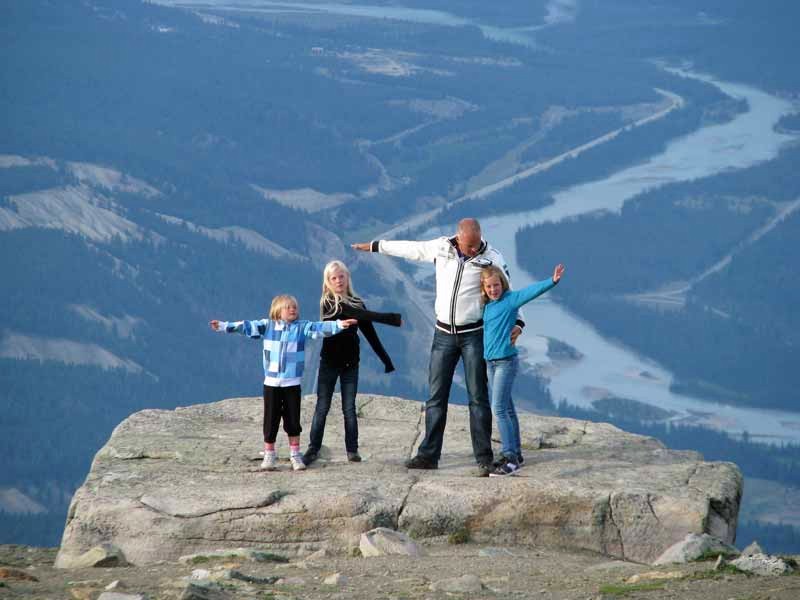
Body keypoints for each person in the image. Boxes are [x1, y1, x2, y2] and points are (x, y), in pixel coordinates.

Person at [352, 218, 524, 476]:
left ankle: (484, 458)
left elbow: (511, 293)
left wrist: (519, 323)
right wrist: (377, 246)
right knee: (436, 397)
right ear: (458, 237)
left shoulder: (492, 257)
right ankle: (428, 455)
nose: (473, 250)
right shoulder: (442, 247)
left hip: (474, 335)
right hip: (443, 334)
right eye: (468, 245)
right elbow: (412, 249)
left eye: (476, 244)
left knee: (478, 398)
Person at [210, 294, 356, 472]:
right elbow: (245, 326)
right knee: (270, 421)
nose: (293, 309)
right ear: (277, 311)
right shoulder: (267, 326)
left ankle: (295, 455)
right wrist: (223, 326)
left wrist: (338, 325)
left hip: (292, 384)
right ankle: (269, 455)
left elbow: (319, 328)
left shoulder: (301, 327)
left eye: (295, 307)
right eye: (288, 307)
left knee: (293, 421)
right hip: (271, 383)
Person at [303, 260, 402, 466]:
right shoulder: (328, 302)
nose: (338, 281)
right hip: (329, 363)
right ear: (328, 282)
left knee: (349, 408)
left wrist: (386, 359)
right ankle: (313, 448)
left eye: (341, 276)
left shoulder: (357, 302)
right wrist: (390, 318)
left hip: (350, 364)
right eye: (333, 278)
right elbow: (355, 313)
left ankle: (352, 450)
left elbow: (370, 334)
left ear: (348, 278)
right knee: (322, 406)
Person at [481, 263, 565, 476]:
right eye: (489, 286)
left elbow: (530, 292)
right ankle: (516, 454)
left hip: (505, 362)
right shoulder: (487, 306)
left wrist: (552, 281)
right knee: (507, 409)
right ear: (484, 288)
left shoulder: (510, 300)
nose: (493, 290)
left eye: (496, 285)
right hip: (490, 363)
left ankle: (510, 459)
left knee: (499, 409)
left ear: (503, 284)